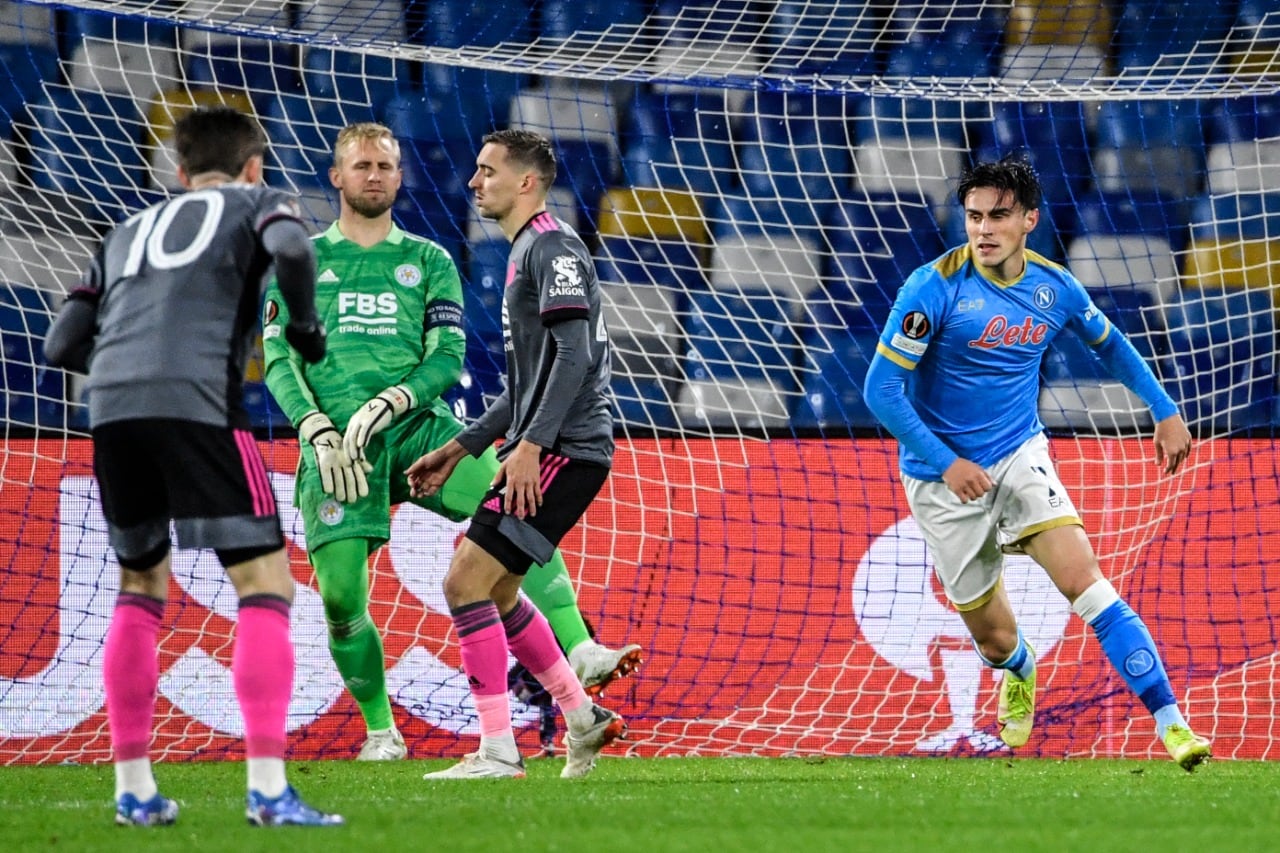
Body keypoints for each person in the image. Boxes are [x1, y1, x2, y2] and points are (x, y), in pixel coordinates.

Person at [262, 123, 641, 762]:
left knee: (497, 540)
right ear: (336, 176)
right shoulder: (302, 261)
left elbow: (455, 356)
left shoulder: (440, 259)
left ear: (400, 176)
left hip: (422, 428)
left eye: (386, 164)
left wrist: (403, 404)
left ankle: (566, 664)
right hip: (337, 448)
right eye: (361, 165)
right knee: (342, 598)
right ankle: (387, 732)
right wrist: (313, 424)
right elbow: (276, 355)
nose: (374, 175)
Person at [42, 106, 343, 827]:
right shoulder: (258, 201)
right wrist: (303, 330)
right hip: (199, 402)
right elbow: (295, 252)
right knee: (265, 582)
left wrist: (127, 369)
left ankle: (134, 790)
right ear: (253, 166)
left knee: (140, 584)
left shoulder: (125, 230)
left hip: (110, 408)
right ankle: (269, 790)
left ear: (179, 173)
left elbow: (59, 344)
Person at [862, 158, 1212, 771]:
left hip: (1021, 453)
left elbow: (1110, 345)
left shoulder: (1054, 288)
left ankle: (1173, 725)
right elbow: (881, 391)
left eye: (998, 216)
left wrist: (1163, 408)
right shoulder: (932, 288)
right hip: (942, 480)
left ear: (1029, 219)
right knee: (994, 640)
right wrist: (947, 464)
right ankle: (1019, 668)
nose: (983, 229)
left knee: (1091, 586)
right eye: (974, 216)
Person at [406, 129, 624, 780]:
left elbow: (576, 355)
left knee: (464, 581)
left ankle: (499, 749)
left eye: (488, 170)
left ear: (527, 182)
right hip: (551, 446)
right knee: (496, 591)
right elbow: (524, 383)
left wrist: (528, 445)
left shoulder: (551, 247)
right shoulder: (527, 250)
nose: (475, 182)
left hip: (563, 448)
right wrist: (459, 446)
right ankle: (582, 719)